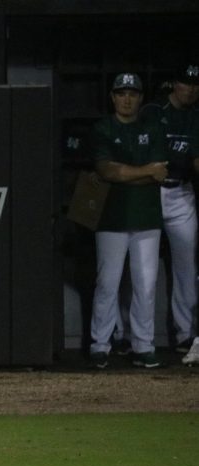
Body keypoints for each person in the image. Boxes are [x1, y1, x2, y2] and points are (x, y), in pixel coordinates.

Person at [87, 72, 169, 369]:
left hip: (146, 216)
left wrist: (128, 174)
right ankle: (100, 344)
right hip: (111, 217)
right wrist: (144, 172)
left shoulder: (153, 128)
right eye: (121, 93)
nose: (126, 98)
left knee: (145, 284)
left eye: (132, 93)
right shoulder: (103, 128)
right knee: (107, 282)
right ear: (112, 96)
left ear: (140, 98)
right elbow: (107, 171)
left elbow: (160, 171)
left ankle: (143, 345)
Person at [140, 63, 199, 357]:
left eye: (196, 84)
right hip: (150, 192)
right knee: (142, 270)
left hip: (181, 193)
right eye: (186, 83)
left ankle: (185, 335)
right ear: (174, 83)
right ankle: (135, 338)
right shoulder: (153, 111)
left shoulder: (196, 115)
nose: (191, 89)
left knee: (186, 268)